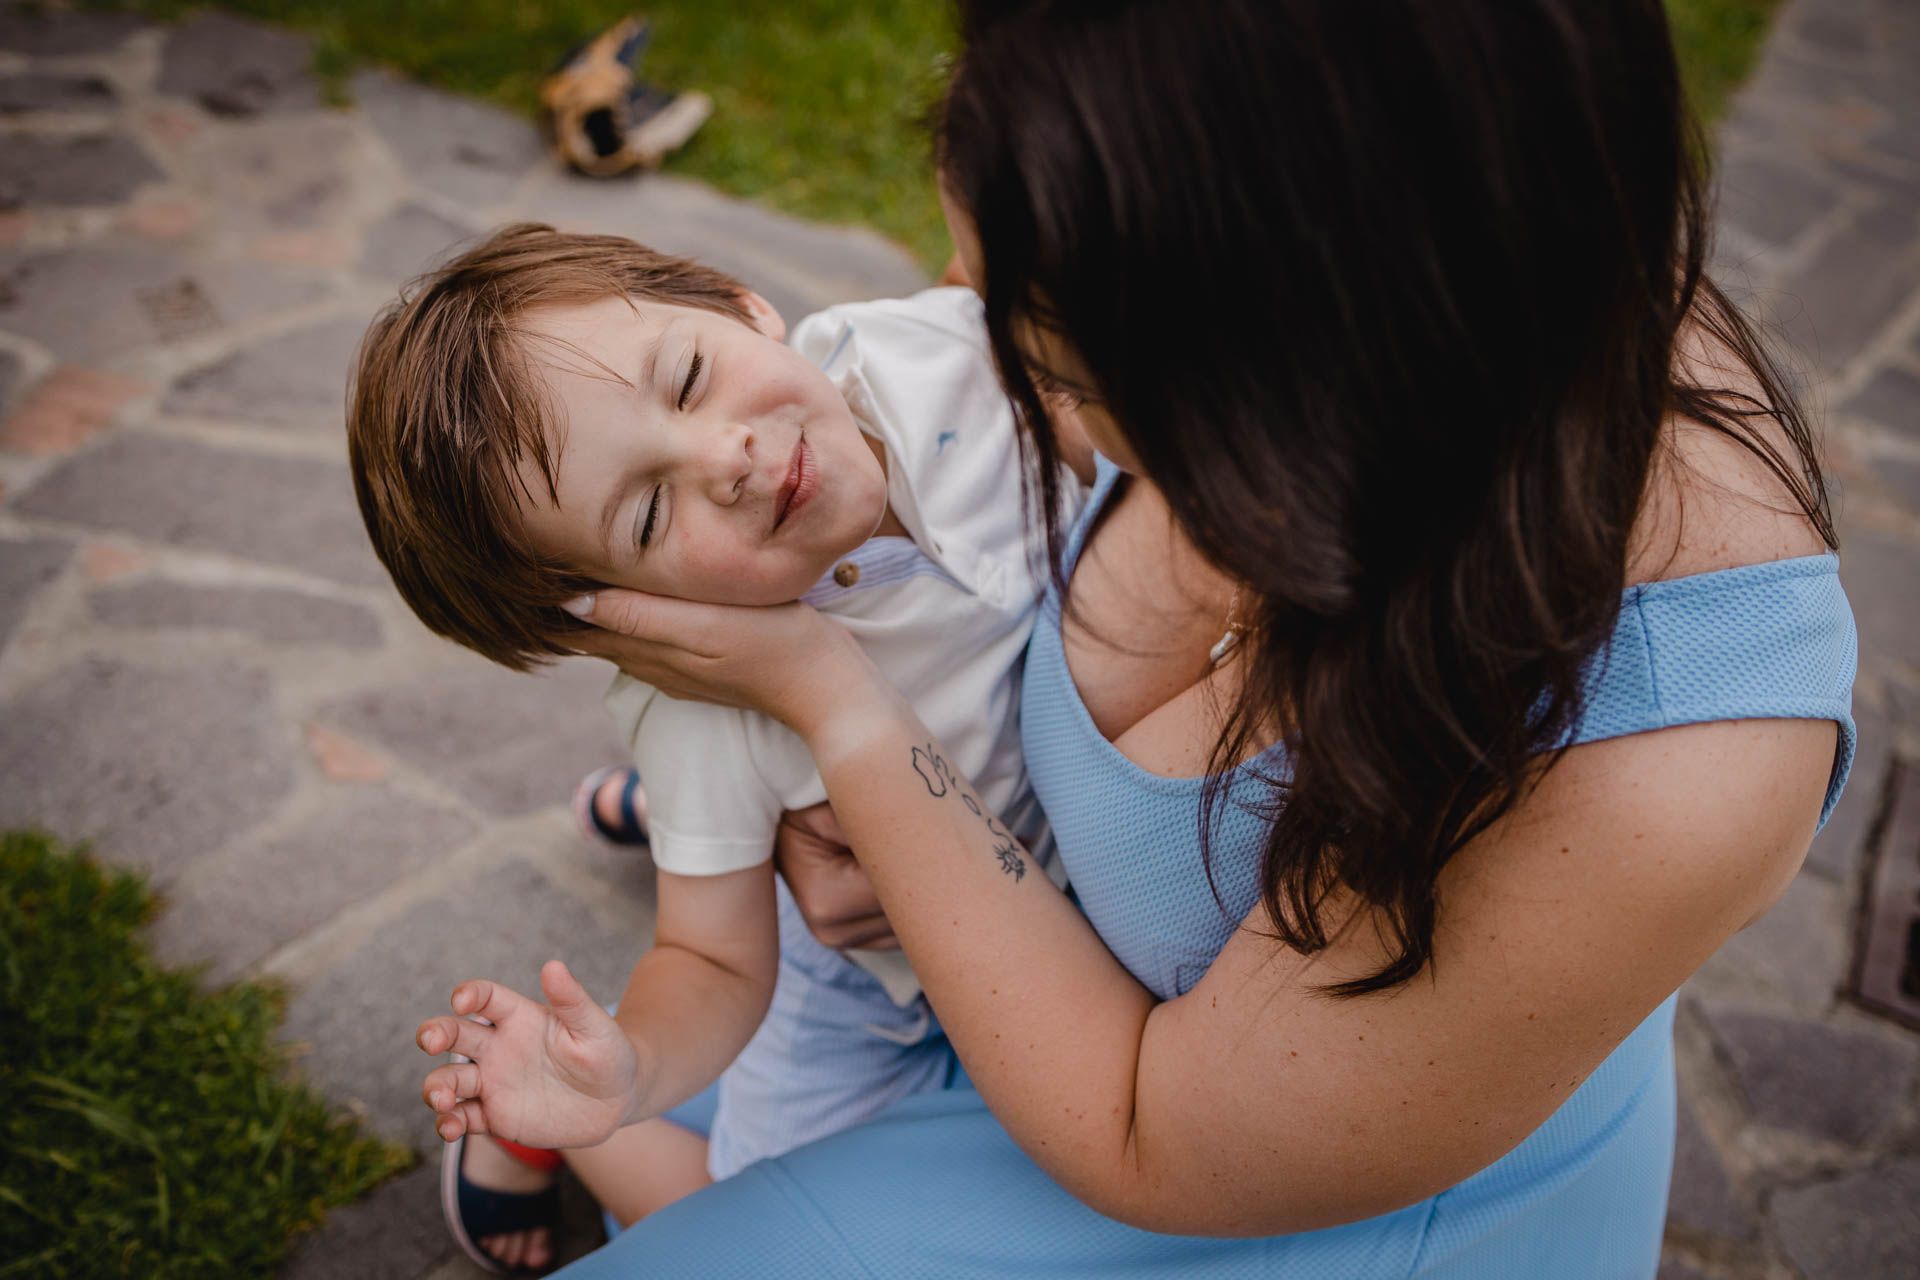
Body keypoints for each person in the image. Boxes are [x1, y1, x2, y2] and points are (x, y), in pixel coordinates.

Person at [466, 1, 1857, 1275]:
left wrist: (850, 730)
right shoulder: (1392, 260)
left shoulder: (1670, 763)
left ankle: (582, 1130)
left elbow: (1153, 1137)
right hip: (998, 984)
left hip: (1258, 1167)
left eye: (1052, 354)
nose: (972, 322)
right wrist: (775, 788)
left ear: (1275, 376)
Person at [346, 223, 1085, 1272]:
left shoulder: (940, 350)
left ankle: (673, 814)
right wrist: (628, 1067)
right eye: (649, 510)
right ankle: (559, 1127)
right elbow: (710, 955)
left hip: (1046, 888)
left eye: (688, 377)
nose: (724, 459)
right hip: (866, 987)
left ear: (740, 304)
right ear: (624, 614)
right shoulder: (706, 707)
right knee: (778, 1236)